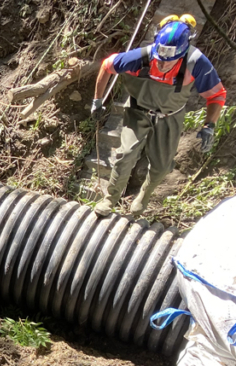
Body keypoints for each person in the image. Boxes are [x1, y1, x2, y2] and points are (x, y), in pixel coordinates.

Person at [90, 15, 226, 217]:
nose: (161, 65)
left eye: (168, 62)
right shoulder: (141, 57)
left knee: (162, 166)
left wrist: (209, 126)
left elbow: (216, 95)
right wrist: (97, 100)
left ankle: (142, 198)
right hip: (138, 111)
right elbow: (107, 66)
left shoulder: (196, 63)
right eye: (159, 60)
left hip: (171, 116)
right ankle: (110, 199)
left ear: (181, 55)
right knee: (125, 155)